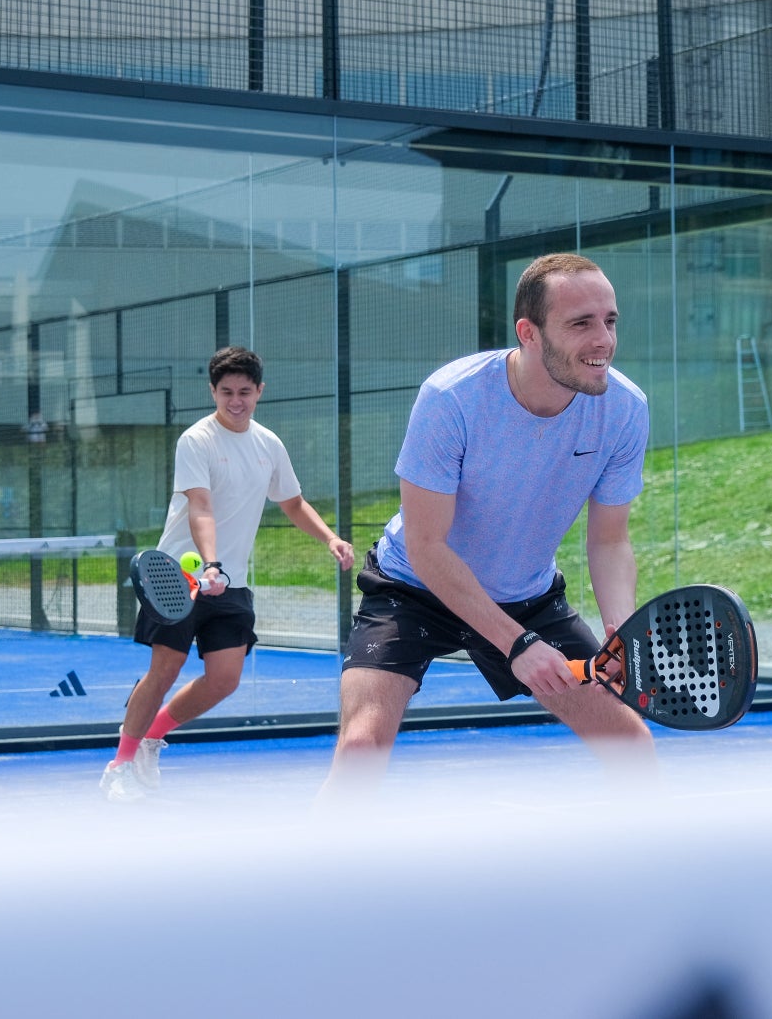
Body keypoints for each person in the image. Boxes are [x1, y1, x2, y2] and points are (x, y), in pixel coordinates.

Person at [323, 253, 655, 794]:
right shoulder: (451, 398)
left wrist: (621, 628)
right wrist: (518, 645)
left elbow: (611, 540)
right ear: (529, 332)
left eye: (610, 320)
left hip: (527, 595)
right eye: (581, 323)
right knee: (361, 748)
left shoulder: (625, 408)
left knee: (631, 746)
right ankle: (316, 877)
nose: (604, 340)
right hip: (414, 586)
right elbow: (428, 547)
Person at [101, 346, 354, 802]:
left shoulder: (268, 444)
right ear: (213, 392)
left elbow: (292, 503)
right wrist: (209, 563)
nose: (235, 400)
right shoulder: (196, 440)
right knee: (165, 669)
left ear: (259, 391)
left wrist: (330, 538)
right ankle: (119, 763)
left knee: (225, 679)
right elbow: (201, 507)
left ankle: (151, 738)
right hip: (179, 576)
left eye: (244, 392)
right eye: (226, 392)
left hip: (230, 582)